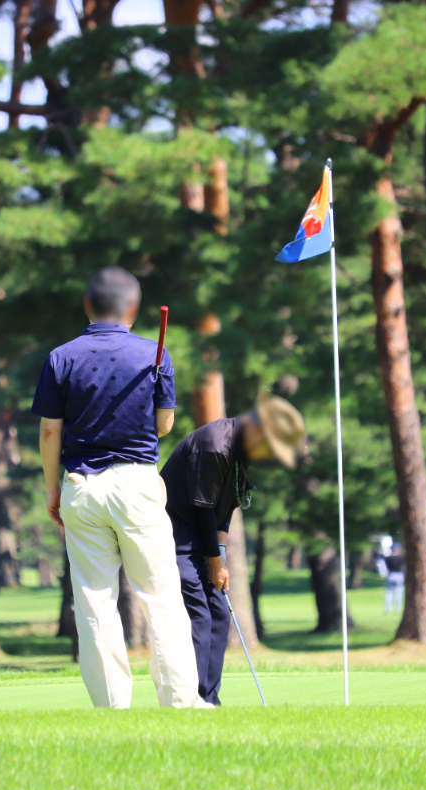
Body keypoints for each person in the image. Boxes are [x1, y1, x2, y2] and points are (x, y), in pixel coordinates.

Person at [32, 266, 203, 709]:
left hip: (81, 486)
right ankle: (181, 702)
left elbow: (51, 432)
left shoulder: (60, 356)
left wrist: (52, 490)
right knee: (161, 596)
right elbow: (164, 425)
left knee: (94, 601)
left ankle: (111, 707)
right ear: (133, 308)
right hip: (137, 486)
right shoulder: (153, 353)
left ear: (88, 305)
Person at [160, 390, 305, 706]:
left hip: (202, 535)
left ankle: (209, 699)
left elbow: (225, 507)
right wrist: (214, 560)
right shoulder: (214, 446)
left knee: (219, 616)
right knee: (199, 614)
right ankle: (192, 700)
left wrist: (220, 555)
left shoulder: (241, 452)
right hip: (174, 534)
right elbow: (201, 507)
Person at [383, 543, 405, 614]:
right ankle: (397, 609)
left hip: (390, 575)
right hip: (399, 575)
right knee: (398, 593)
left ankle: (387, 609)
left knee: (389, 593)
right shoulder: (401, 558)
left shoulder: (387, 558)